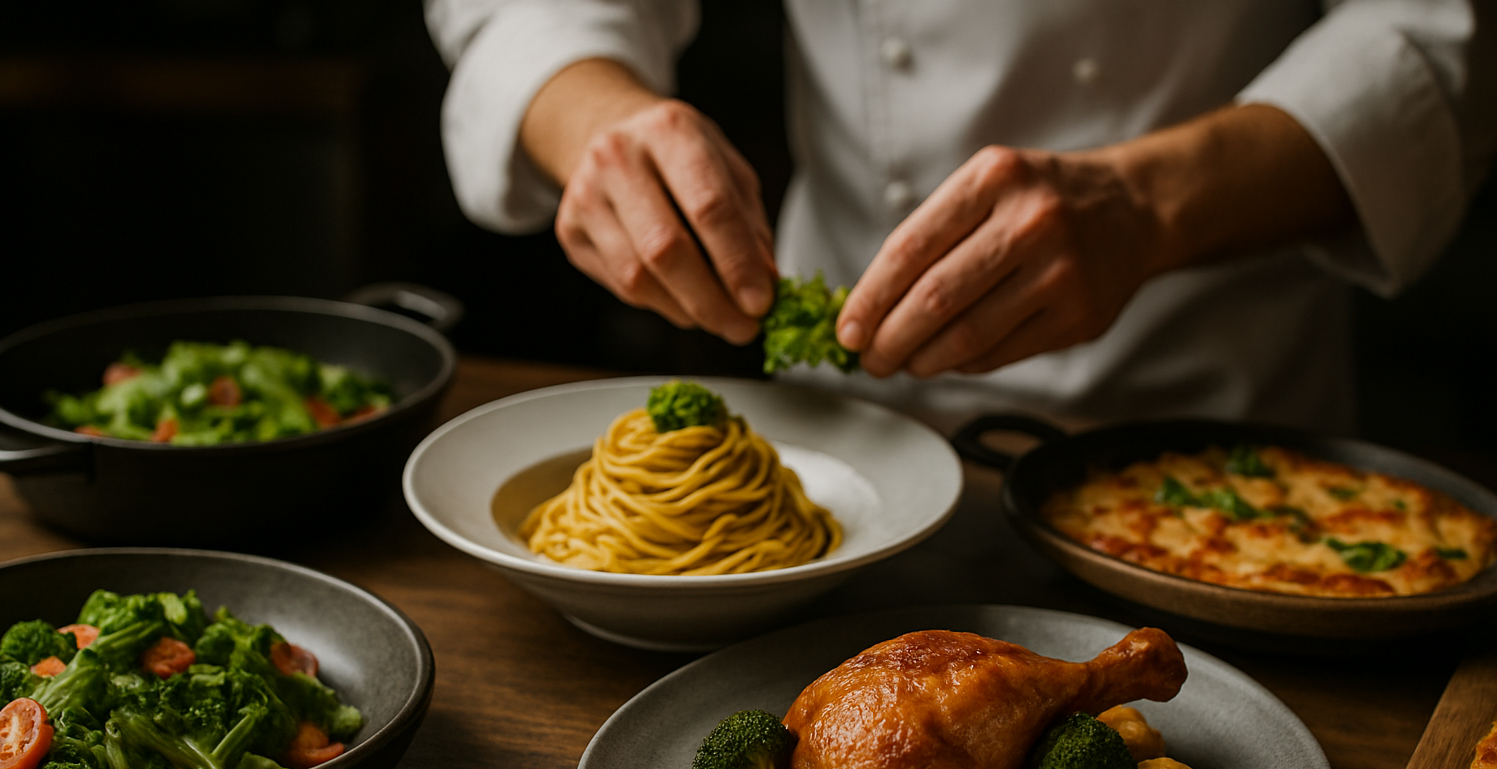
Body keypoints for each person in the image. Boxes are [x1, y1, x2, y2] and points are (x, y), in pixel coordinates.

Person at [424, 1, 1493, 433]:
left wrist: (1144, 206)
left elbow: (1436, 35)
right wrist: (595, 116)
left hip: (1210, 429)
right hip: (838, 441)